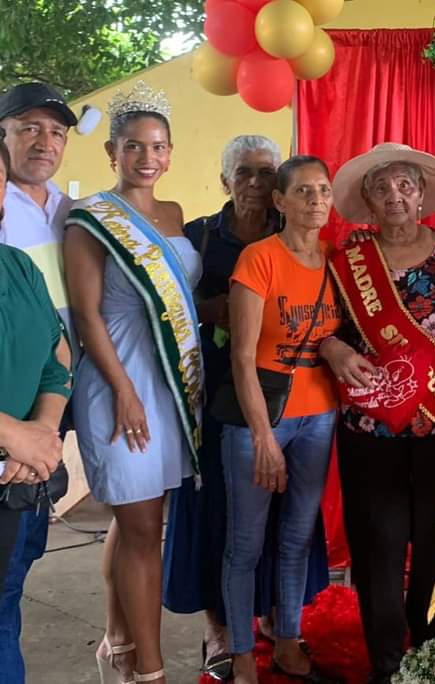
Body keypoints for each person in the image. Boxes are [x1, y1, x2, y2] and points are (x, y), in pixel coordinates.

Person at [160, 136, 328, 680]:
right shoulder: (203, 237)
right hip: (224, 397)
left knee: (292, 525)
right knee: (230, 523)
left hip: (303, 403)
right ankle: (227, 637)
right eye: (243, 173)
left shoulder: (313, 242)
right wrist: (212, 308)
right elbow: (171, 305)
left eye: (265, 172)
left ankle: (282, 626)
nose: (254, 182)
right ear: (224, 181)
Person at [65, 81, 203, 684]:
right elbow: (87, 315)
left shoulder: (173, 215)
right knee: (143, 527)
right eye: (134, 146)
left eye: (158, 147)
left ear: (170, 153)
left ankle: (118, 642)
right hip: (118, 380)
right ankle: (150, 669)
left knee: (138, 519)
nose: (147, 158)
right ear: (112, 152)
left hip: (172, 383)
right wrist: (124, 391)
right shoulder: (91, 220)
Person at [322, 142, 435, 684]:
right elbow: (320, 326)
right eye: (381, 188)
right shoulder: (349, 258)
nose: (394, 196)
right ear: (367, 200)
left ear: (422, 195)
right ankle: (386, 664)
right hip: (371, 428)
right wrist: (333, 348)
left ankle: (430, 655)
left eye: (405, 185)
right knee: (378, 546)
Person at [221, 155, 341, 684]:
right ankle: (242, 653)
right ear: (280, 201)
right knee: (245, 543)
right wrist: (264, 439)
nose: (316, 200)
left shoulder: (337, 260)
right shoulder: (259, 258)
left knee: (297, 537)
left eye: (323, 190)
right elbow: (242, 357)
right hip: (261, 419)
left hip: (320, 416)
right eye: (304, 191)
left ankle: (289, 641)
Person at [0, 81, 76, 684]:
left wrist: (42, 434)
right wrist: (14, 436)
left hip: (33, 445)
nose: (44, 142)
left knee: (11, 585)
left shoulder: (62, 219)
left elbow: (56, 353)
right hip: (15, 441)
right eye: (29, 127)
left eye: (55, 131)